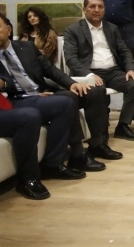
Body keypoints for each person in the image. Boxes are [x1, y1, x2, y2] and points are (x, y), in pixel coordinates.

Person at [0, 13, 107, 176]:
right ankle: (66, 158)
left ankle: (93, 147)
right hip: (17, 100)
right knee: (65, 102)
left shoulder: (26, 47)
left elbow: (50, 70)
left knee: (86, 93)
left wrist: (71, 83)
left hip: (40, 92)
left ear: (8, 29)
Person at [64, 0, 134, 141]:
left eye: (100, 7)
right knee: (98, 91)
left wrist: (130, 69)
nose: (96, 10)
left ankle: (123, 126)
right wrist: (88, 75)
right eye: (92, 6)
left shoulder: (111, 28)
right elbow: (71, 58)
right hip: (90, 72)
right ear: (84, 9)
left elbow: (124, 50)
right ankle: (100, 132)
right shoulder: (73, 30)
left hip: (113, 71)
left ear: (104, 10)